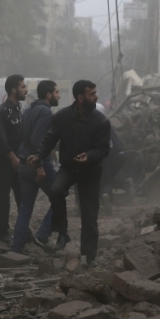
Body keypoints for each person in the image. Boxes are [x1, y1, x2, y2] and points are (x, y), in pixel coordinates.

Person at [28, 80, 110, 267]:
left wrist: (89, 156)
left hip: (91, 171)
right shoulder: (62, 117)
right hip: (69, 168)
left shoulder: (101, 121)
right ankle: (62, 233)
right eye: (92, 94)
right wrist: (39, 155)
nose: (96, 97)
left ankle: (89, 257)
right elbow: (50, 139)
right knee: (56, 191)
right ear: (80, 98)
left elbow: (104, 150)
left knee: (89, 214)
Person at [11, 80, 59, 254]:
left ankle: (16, 249)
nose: (59, 95)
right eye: (56, 92)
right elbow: (37, 141)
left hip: (23, 162)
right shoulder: (45, 112)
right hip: (38, 163)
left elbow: (22, 138)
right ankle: (43, 236)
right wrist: (39, 165)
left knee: (25, 209)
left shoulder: (28, 110)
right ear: (48, 95)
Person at [0, 74, 27, 242]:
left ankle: (23, 229)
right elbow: (1, 139)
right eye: (22, 87)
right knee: (3, 197)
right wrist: (12, 157)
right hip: (5, 161)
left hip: (19, 161)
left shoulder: (19, 110)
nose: (25, 90)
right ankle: (0, 232)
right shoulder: (0, 112)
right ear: (14, 90)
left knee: (22, 195)